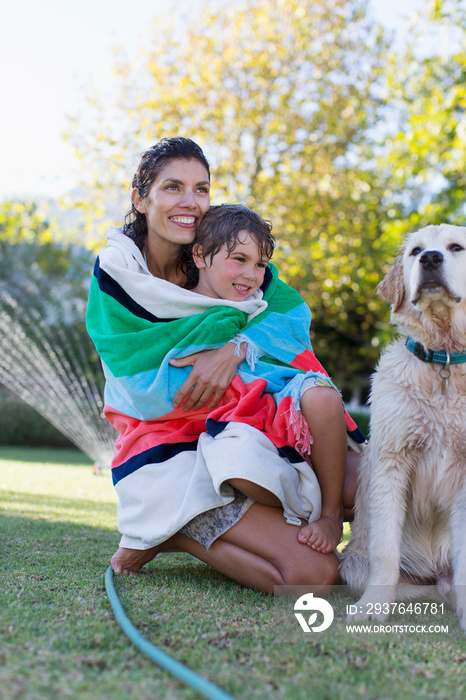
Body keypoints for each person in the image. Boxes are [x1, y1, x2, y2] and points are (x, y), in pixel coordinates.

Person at [86, 137, 365, 592]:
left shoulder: (225, 253)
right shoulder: (120, 274)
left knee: (366, 486)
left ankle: (266, 506)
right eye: (173, 187)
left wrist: (235, 349)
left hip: (250, 421)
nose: (189, 202)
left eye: (201, 189)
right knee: (314, 576)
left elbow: (285, 314)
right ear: (141, 198)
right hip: (169, 439)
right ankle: (174, 527)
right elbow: (138, 383)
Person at [189, 203, 351, 553]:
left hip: (285, 398)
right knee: (239, 463)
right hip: (238, 419)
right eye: (239, 260)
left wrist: (242, 344)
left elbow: (293, 317)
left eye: (260, 264)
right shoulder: (178, 306)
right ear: (200, 255)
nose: (251, 274)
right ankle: (297, 516)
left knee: (324, 397)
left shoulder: (267, 300)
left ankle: (332, 516)